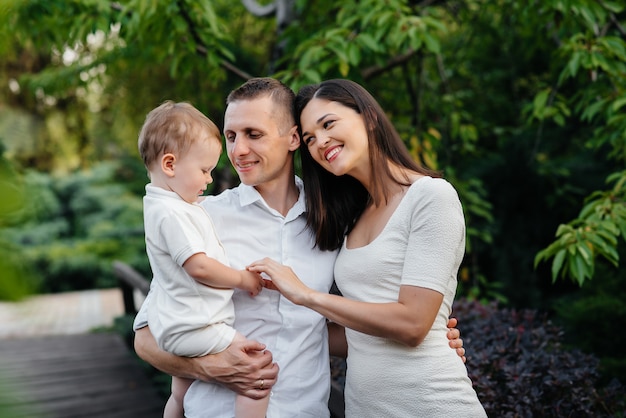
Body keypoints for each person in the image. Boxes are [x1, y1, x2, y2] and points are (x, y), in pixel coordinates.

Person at [133, 78, 466, 417]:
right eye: (231, 136)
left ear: (292, 139)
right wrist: (210, 368)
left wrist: (432, 334)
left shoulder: (335, 220)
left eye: (254, 134)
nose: (238, 150)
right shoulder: (203, 217)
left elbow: (343, 326)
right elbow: (145, 337)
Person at [247, 79, 486, 417]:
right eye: (310, 138)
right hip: (365, 407)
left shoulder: (431, 197)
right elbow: (358, 338)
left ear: (370, 117)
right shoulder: (352, 218)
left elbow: (413, 325)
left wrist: (306, 296)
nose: (320, 142)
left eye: (328, 124)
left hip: (431, 404)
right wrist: (253, 321)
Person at [137, 101, 268, 418]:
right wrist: (242, 278)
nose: (209, 179)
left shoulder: (170, 206)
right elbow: (198, 266)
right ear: (170, 165)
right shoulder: (172, 214)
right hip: (197, 325)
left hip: (179, 325)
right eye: (204, 170)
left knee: (180, 394)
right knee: (258, 373)